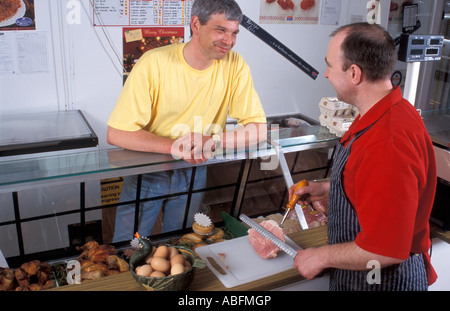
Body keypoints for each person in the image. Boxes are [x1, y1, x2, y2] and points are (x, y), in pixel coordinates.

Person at [290, 22, 437, 290]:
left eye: (330, 66)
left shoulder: (387, 140)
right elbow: (375, 186)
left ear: (354, 73)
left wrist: (320, 256)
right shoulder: (383, 113)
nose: (326, 74)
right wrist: (329, 188)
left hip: (383, 282)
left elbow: (386, 250)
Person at [107, 0, 267, 242]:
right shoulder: (153, 62)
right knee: (129, 245)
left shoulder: (235, 65)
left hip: (195, 169)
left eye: (234, 33)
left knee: (181, 244)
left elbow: (260, 131)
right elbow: (117, 133)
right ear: (196, 24)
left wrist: (212, 141)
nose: (229, 40)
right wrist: (174, 147)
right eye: (220, 30)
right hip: (149, 169)